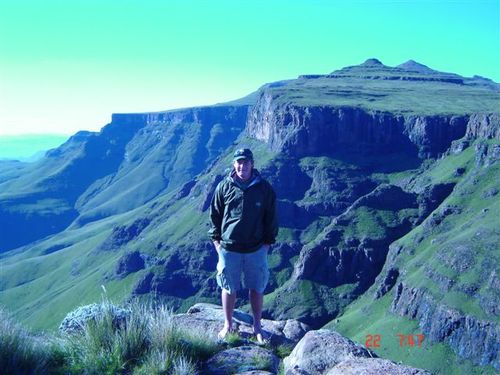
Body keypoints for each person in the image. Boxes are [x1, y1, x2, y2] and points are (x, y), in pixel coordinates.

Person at [208, 147, 278, 344]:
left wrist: (267, 245)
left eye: (246, 162)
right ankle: (228, 325)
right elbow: (215, 216)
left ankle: (257, 327)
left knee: (256, 288)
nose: (242, 166)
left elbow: (271, 218)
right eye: (239, 162)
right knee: (229, 287)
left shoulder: (264, 189)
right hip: (229, 248)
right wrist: (217, 244)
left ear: (252, 164)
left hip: (256, 249)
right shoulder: (224, 187)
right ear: (234, 164)